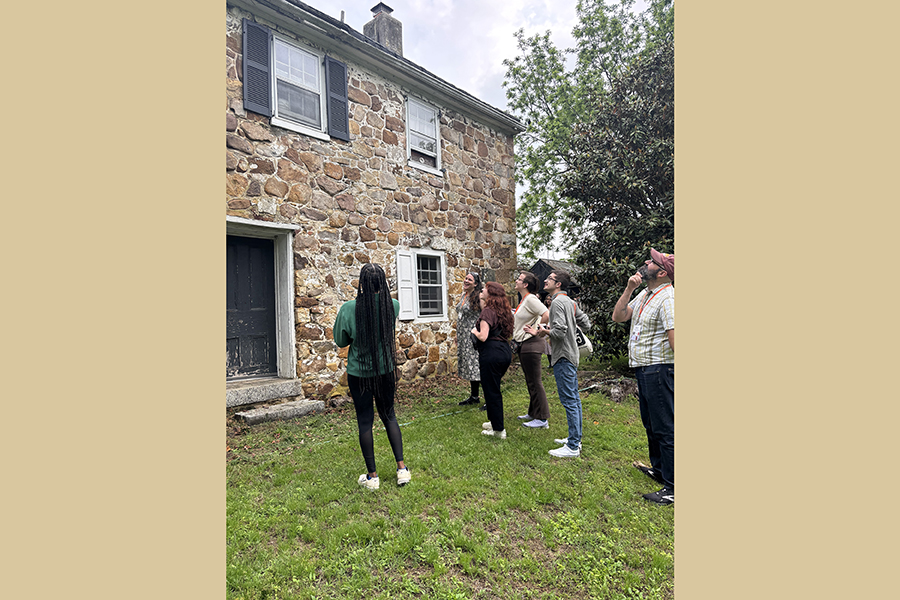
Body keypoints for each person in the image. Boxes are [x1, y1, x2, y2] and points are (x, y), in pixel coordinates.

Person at [333, 263, 410, 490]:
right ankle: (402, 469)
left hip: (360, 373)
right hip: (385, 370)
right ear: (383, 282)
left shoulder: (349, 309)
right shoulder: (392, 305)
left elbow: (341, 341)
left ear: (362, 283)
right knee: (390, 416)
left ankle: (372, 476)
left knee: (365, 421)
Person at [612, 248, 674, 505]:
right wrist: (628, 289)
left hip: (660, 369)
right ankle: (659, 471)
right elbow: (618, 317)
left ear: (661, 272)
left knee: (666, 428)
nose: (646, 262)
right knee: (651, 424)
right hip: (644, 368)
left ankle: (673, 487)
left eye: (652, 261)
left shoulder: (668, 298)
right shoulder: (646, 293)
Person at [524, 269, 590, 458]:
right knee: (574, 399)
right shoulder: (570, 302)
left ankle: (572, 446)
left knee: (569, 400)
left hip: (563, 356)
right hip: (571, 354)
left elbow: (559, 333)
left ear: (558, 284)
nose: (545, 281)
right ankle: (574, 438)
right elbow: (586, 324)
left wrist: (543, 332)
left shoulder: (558, 302)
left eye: (550, 279)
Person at [471, 281, 514, 439]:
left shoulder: (488, 311)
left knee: (491, 391)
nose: (481, 290)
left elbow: (483, 336)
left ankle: (498, 430)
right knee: (493, 388)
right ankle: (494, 420)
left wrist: (474, 331)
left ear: (490, 293)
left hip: (491, 353)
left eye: (484, 289)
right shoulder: (504, 310)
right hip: (504, 351)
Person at [512, 272, 551, 429]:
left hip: (532, 343)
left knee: (535, 381)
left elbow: (546, 313)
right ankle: (533, 412)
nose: (516, 281)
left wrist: (537, 330)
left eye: (519, 279)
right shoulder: (524, 300)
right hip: (525, 344)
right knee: (530, 381)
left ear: (526, 285)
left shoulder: (531, 299)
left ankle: (542, 419)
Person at [456, 272, 483, 407]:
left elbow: (485, 314)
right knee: (471, 366)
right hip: (463, 336)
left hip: (473, 335)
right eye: (465, 278)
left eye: (469, 280)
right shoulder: (464, 294)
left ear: (476, 284)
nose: (466, 281)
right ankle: (474, 396)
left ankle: (491, 398)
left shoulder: (479, 297)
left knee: (477, 366)